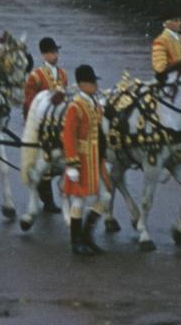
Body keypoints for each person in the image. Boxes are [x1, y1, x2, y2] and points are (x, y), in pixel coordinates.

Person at [62, 64, 108, 256]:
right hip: (81, 159)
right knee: (79, 201)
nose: (95, 86)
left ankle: (87, 235)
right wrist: (72, 164)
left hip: (96, 158)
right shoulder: (75, 106)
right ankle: (76, 241)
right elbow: (68, 135)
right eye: (91, 83)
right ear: (82, 84)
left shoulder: (95, 104)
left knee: (105, 196)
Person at [23, 37, 68, 213]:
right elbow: (29, 102)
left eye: (56, 52)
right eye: (51, 53)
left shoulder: (63, 74)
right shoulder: (36, 76)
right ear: (44, 55)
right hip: (42, 123)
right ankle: (47, 200)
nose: (55, 55)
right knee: (44, 161)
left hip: (59, 123)